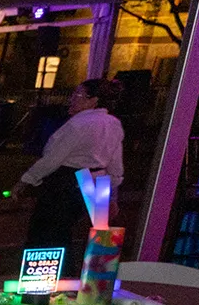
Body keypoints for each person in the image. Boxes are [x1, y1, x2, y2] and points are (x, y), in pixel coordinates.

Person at [13, 78, 125, 275]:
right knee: (100, 238)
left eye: (79, 95)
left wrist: (26, 180)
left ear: (94, 100)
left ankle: (47, 281)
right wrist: (112, 193)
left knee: (49, 233)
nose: (72, 99)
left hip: (69, 180)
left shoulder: (79, 124)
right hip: (99, 181)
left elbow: (53, 159)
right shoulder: (113, 124)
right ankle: (95, 283)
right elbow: (115, 162)